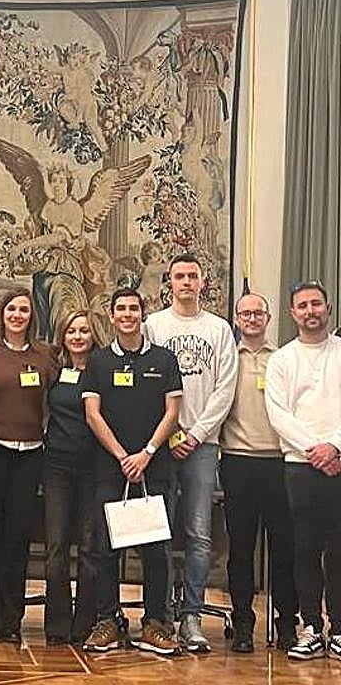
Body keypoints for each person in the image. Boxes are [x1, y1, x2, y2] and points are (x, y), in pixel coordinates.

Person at [143, 254, 237, 652]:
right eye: (178, 276)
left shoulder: (218, 330)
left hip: (202, 446)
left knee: (199, 532)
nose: (185, 282)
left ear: (202, 282)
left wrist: (196, 434)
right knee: (159, 531)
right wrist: (172, 433)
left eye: (192, 276)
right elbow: (146, 385)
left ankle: (192, 615)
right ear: (169, 282)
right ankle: (160, 616)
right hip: (162, 443)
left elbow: (226, 388)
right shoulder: (154, 326)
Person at [82, 288, 182, 655]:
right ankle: (108, 620)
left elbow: (172, 412)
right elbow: (93, 414)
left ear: (143, 313)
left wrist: (147, 453)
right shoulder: (98, 361)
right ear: (111, 316)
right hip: (110, 469)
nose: (127, 315)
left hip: (154, 468)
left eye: (133, 309)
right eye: (120, 309)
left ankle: (156, 623)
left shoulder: (165, 359)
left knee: (156, 551)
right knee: (105, 548)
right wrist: (124, 456)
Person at [0, 289, 56, 644]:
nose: (18, 315)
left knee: (17, 536)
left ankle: (11, 617)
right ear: (1, 314)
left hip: (30, 452)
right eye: (11, 309)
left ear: (31, 316)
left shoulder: (47, 356)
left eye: (24, 310)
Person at [264, 281, 341, 661]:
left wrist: (335, 447)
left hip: (340, 462)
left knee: (339, 550)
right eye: (302, 306)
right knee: (305, 549)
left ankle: (339, 629)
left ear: (328, 309)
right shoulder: (282, 360)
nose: (310, 311)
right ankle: (311, 626)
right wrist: (317, 451)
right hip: (300, 466)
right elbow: (279, 416)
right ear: (292, 313)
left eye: (316, 304)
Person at [221, 292, 297, 653]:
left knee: (284, 548)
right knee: (240, 549)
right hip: (237, 461)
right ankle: (242, 625)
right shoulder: (228, 360)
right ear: (237, 319)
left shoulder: (283, 359)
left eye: (258, 313)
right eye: (245, 313)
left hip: (279, 462)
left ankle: (286, 625)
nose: (251, 318)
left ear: (269, 318)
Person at [42, 309, 100, 646]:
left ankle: (86, 623)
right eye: (72, 331)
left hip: (94, 468)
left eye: (84, 331)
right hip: (57, 468)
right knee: (57, 546)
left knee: (90, 547)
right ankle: (57, 625)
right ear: (63, 335)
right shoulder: (54, 369)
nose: (78, 337)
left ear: (94, 335)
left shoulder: (102, 369)